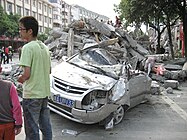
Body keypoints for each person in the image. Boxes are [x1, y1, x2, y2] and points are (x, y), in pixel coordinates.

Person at [17, 16, 52, 140]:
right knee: (46, 126)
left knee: (32, 130)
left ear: (30, 31)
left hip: (32, 95)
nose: (19, 31)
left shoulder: (27, 48)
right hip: (44, 93)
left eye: (21, 29)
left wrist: (19, 80)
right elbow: (49, 70)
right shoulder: (45, 48)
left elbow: (27, 74)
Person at [0, 64, 23, 140]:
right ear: (1, 70)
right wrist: (19, 123)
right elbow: (16, 106)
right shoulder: (9, 86)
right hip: (8, 125)